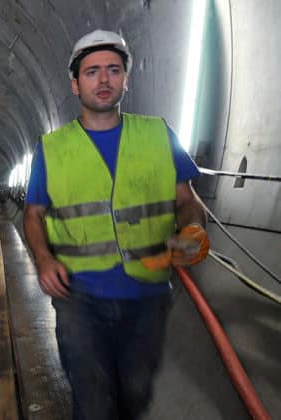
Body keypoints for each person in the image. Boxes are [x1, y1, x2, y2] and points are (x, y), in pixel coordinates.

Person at [22, 29, 210, 420]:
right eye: (91, 72)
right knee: (92, 400)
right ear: (75, 84)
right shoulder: (52, 149)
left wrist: (193, 231)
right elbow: (33, 214)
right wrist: (43, 260)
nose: (103, 80)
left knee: (136, 393)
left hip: (148, 294)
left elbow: (188, 201)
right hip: (78, 296)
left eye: (112, 70)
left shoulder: (158, 134)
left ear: (127, 78)